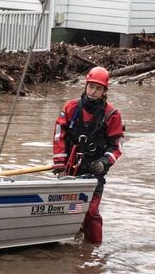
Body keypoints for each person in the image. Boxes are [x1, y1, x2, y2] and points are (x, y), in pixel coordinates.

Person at [52, 66, 124, 245]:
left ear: (104, 91)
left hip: (94, 171)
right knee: (67, 209)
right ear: (85, 86)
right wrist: (60, 165)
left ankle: (94, 249)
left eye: (98, 88)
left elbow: (117, 146)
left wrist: (105, 161)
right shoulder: (71, 107)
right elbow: (59, 136)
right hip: (70, 169)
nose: (93, 91)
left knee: (91, 212)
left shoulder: (112, 115)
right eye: (91, 86)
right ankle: (67, 243)